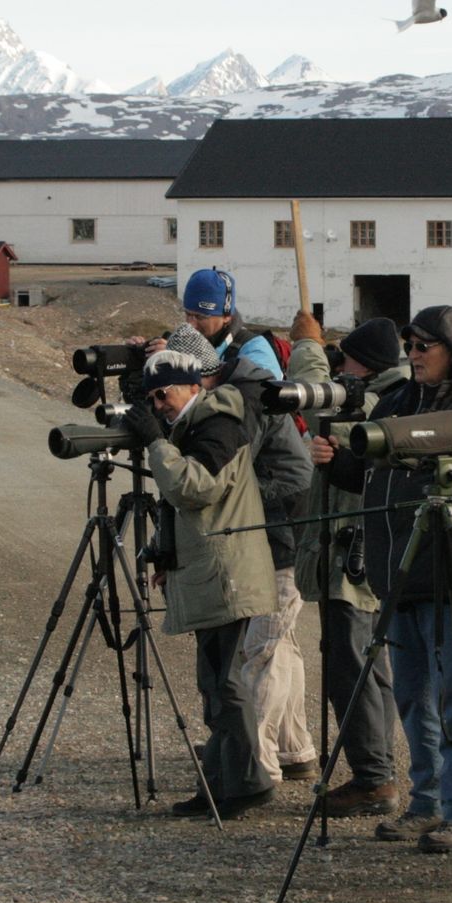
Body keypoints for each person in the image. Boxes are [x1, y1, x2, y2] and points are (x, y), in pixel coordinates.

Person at [313, 305, 452, 853]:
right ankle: (425, 803)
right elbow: (369, 475)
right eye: (409, 345)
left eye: (425, 346)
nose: (414, 355)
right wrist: (335, 459)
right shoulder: (401, 400)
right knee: (412, 698)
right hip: (399, 576)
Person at [124, 349, 278, 820]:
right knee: (214, 684)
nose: (159, 405)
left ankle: (247, 783)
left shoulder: (218, 426)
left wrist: (154, 443)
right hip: (213, 569)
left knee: (224, 684)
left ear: (194, 387)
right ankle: (218, 785)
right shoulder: (192, 427)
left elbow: (194, 488)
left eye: (164, 394)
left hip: (227, 573)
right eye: (151, 398)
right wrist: (165, 551)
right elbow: (184, 505)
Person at [165, 324, 317, 788]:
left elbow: (295, 476)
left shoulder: (244, 404)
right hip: (271, 538)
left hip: (278, 542)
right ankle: (294, 750)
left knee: (260, 652)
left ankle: (257, 763)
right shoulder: (238, 393)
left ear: (200, 378)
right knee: (278, 647)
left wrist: (246, 499)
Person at [288, 310, 410, 817]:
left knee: (350, 666)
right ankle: (375, 769)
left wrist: (306, 343)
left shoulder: (376, 401)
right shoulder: (395, 394)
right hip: (362, 555)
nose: (343, 372)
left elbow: (315, 391)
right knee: (371, 665)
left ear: (366, 367)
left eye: (349, 363)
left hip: (352, 559)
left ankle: (373, 776)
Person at [181, 267, 284, 380]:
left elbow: (264, 393)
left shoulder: (254, 349)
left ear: (226, 316)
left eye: (200, 317)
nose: (191, 324)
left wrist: (207, 372)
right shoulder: (182, 343)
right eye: (188, 314)